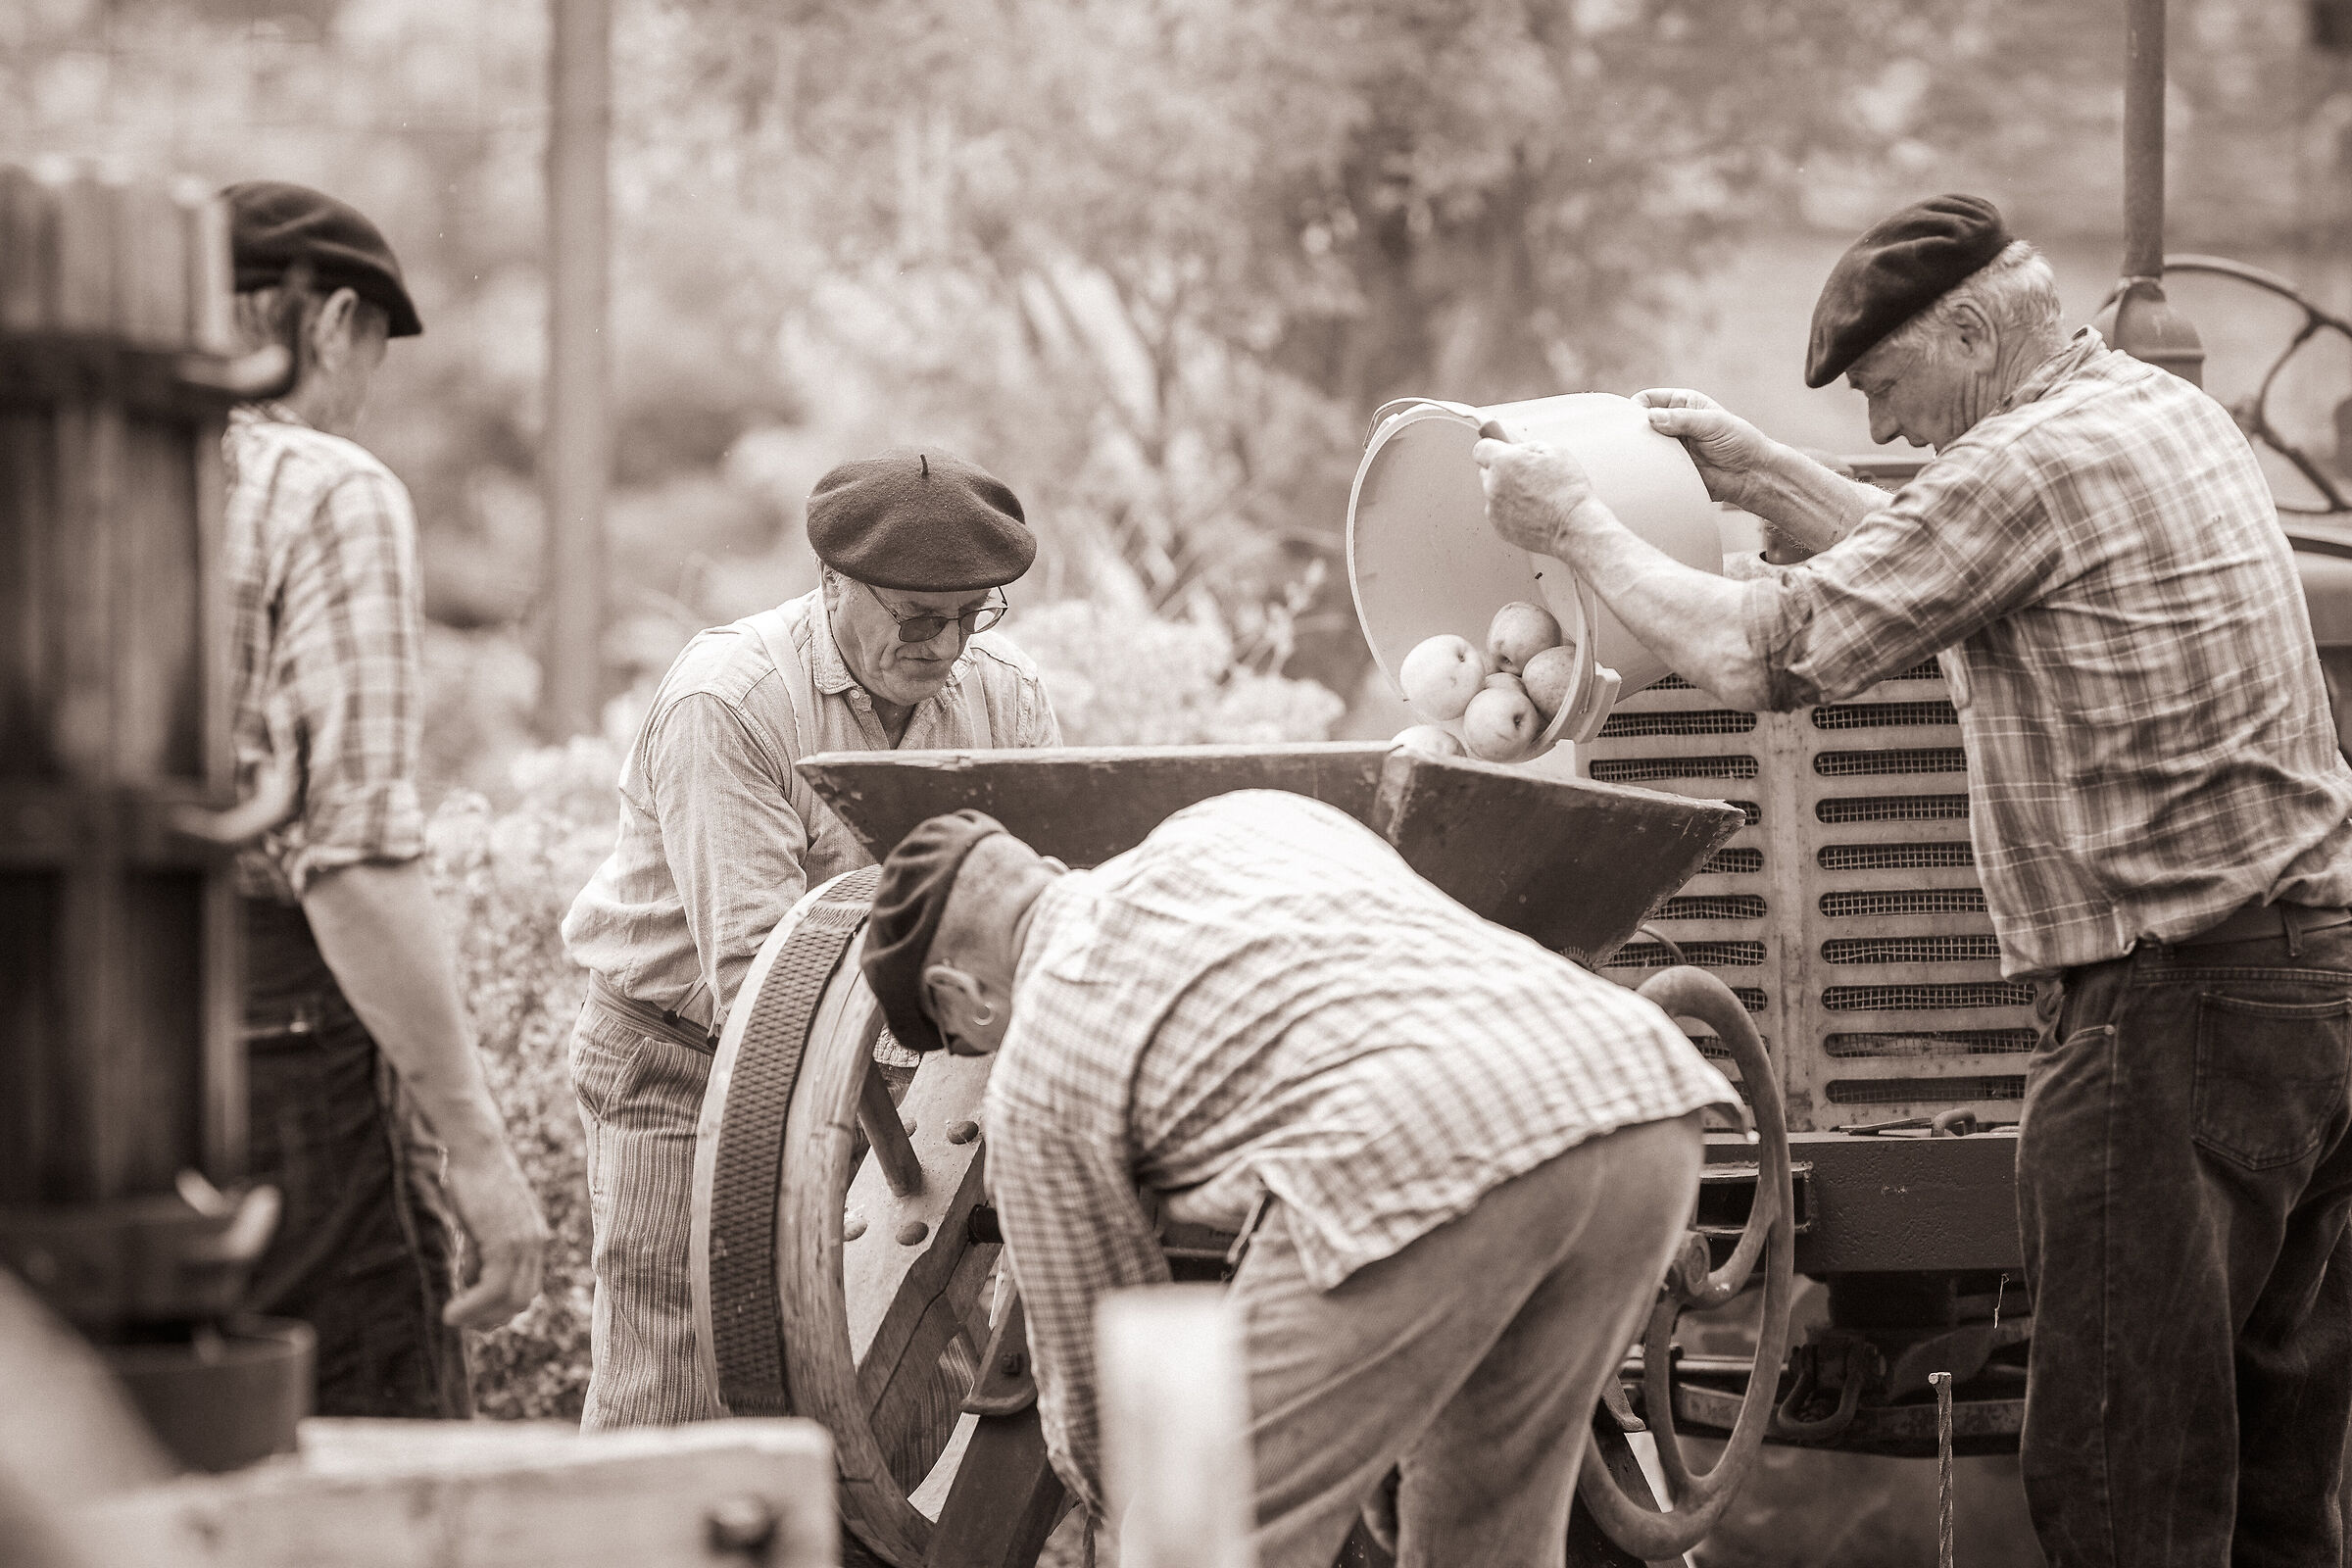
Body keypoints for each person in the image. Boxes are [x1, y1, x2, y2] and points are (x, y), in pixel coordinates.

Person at [1474, 192, 2352, 1566]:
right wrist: (1762, 473)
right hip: (2307, 1003)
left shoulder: (2029, 468)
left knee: (2125, 1493)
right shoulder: (2149, 414)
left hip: (2171, 1014)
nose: (1881, 430)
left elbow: (1756, 660)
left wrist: (1576, 523)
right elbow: (1959, 555)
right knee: (2271, 1495)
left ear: (1968, 330)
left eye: (1886, 385)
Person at [855, 792, 1735, 1567]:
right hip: (1638, 1100)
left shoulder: (1042, 1061)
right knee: (1479, 1534)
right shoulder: (1236, 820)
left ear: (962, 995)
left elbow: (1109, 1384)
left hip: (1417, 1157)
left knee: (1190, 1539)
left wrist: (1141, 1521)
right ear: (1041, 870)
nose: (987, 1051)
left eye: (970, 1039)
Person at [561, 449, 1062, 1429]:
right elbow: (759, 979)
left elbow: (1037, 905)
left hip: (888, 1065)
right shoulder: (733, 698)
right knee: (671, 1378)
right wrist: (873, 1137)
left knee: (898, 1386)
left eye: (974, 612)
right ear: (833, 580)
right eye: (920, 616)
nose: (949, 643)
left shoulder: (1005, 693)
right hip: (684, 1058)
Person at [223, 180, 548, 1417]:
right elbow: (349, 857)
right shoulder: (325, 487)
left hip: (64, 1044)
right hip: (283, 1048)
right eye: (373, 353)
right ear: (333, 320)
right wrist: (475, 1143)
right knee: (365, 1443)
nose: (365, 389)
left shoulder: (52, 481)